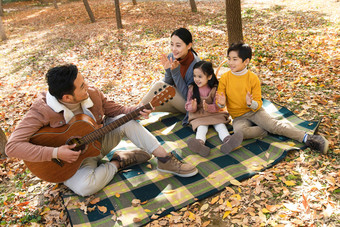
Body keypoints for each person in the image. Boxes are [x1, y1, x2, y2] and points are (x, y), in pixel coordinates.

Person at [5, 64, 198, 197]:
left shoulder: (93, 94)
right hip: (67, 164)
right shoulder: (41, 111)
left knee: (125, 121)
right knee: (85, 188)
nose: (87, 87)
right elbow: (12, 147)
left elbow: (119, 112)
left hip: (97, 145)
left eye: (84, 81)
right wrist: (56, 152)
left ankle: (165, 160)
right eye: (81, 86)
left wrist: (137, 111)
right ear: (67, 97)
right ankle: (118, 162)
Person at [216, 42, 329, 154]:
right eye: (229, 58)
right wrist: (221, 103)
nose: (230, 62)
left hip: (254, 111)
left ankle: (308, 138)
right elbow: (220, 101)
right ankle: (265, 131)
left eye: (234, 59)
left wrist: (251, 103)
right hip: (238, 117)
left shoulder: (252, 78)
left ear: (246, 61)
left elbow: (258, 102)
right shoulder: (225, 78)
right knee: (240, 132)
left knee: (274, 126)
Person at [141, 27, 201, 125]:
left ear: (189, 45)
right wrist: (168, 71)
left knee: (159, 85)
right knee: (148, 107)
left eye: (178, 45)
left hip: (190, 105)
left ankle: (135, 111)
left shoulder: (197, 66)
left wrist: (175, 73)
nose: (174, 49)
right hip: (175, 99)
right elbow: (168, 83)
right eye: (172, 44)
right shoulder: (172, 57)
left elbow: (189, 96)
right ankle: (133, 115)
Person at [185, 61, 243, 157]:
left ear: (209, 76)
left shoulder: (214, 88)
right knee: (201, 128)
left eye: (200, 76)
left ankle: (228, 141)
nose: (196, 79)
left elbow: (217, 106)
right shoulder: (192, 88)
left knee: (220, 125)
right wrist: (193, 106)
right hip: (199, 115)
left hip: (214, 113)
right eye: (195, 76)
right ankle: (199, 144)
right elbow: (187, 105)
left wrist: (209, 107)